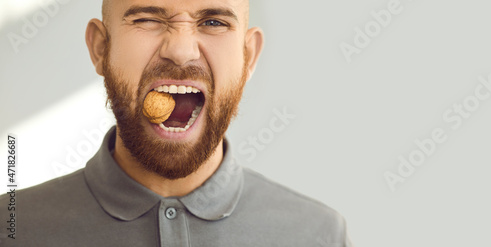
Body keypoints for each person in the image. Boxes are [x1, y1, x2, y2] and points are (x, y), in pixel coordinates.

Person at [0, 0, 352, 246]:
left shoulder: (320, 235)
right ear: (100, 49)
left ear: (249, 57)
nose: (181, 51)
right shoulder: (12, 229)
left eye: (213, 22)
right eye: (148, 19)